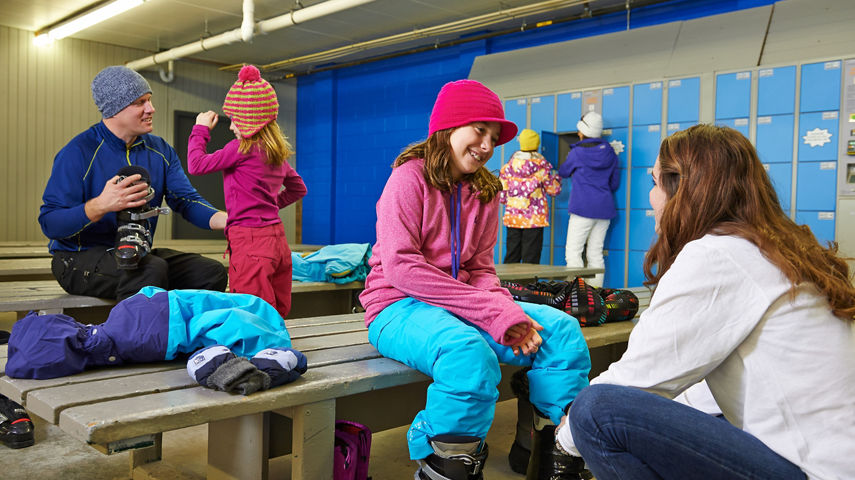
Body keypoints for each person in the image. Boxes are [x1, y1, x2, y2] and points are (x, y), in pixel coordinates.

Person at [554, 124, 855, 480]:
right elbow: (702, 392)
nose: (650, 198)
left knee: (594, 409)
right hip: (834, 460)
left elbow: (634, 381)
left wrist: (566, 435)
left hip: (812, 471)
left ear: (682, 189)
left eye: (654, 183)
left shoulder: (718, 255)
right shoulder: (774, 249)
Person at [358, 79, 592, 480]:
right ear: (448, 127)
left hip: (461, 303)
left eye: (494, 137)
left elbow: (482, 270)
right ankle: (447, 468)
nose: (487, 145)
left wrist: (502, 310)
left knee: (563, 332)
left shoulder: (485, 191)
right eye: (479, 131)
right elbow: (402, 267)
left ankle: (552, 454)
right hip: (396, 307)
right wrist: (494, 314)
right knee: (468, 354)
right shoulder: (407, 180)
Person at [39, 65, 228, 300]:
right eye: (140, 102)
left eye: (149, 100)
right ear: (114, 110)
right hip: (76, 260)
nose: (151, 109)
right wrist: (101, 205)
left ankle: (179, 332)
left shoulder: (160, 150)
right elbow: (50, 223)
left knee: (210, 273)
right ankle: (131, 336)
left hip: (136, 253)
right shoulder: (78, 152)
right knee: (150, 270)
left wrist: (231, 221)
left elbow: (187, 201)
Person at [188, 64, 306, 319]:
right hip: (277, 240)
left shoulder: (240, 148)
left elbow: (196, 165)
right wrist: (270, 204)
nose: (232, 127)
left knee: (249, 310)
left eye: (236, 121)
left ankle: (258, 355)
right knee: (276, 309)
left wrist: (200, 129)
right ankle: (275, 350)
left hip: (250, 241)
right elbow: (298, 189)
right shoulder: (276, 153)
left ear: (250, 121)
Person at [558, 111, 619, 287]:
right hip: (605, 209)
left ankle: (578, 295)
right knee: (595, 253)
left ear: (583, 132)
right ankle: (596, 295)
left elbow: (563, 171)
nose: (578, 134)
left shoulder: (577, 153)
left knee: (573, 252)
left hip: (582, 208)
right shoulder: (610, 153)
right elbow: (614, 184)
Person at [499, 129, 561, 264]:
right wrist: (557, 178)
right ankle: (528, 285)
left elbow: (502, 197)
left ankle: (509, 284)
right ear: (537, 145)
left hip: (513, 218)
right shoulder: (542, 167)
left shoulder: (508, 168)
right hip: (535, 219)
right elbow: (553, 190)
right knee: (531, 258)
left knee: (511, 255)